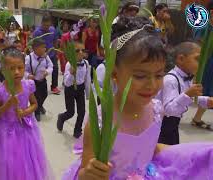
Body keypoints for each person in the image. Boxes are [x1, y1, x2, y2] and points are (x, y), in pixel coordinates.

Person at [63, 16, 213, 180]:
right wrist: (90, 173)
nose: (151, 84)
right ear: (114, 74)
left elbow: (149, 148)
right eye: (140, 76)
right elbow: (85, 170)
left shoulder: (156, 109)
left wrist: (194, 154)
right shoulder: (100, 122)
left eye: (159, 75)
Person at [0, 47, 53, 180]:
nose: (16, 72)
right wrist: (8, 104)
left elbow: (34, 104)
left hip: (25, 131)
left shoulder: (28, 85)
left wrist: (25, 111)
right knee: (8, 162)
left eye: (20, 68)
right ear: (3, 70)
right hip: (5, 133)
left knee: (26, 160)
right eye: (11, 68)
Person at [157, 42, 213, 145]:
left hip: (173, 126)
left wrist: (206, 100)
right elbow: (169, 110)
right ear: (181, 59)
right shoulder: (170, 80)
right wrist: (187, 94)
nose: (201, 63)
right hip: (162, 127)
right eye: (197, 59)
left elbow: (185, 100)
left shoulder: (186, 78)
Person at [57, 41, 91, 138]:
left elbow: (87, 79)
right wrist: (71, 73)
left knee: (82, 112)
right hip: (70, 89)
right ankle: (61, 117)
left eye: (83, 50)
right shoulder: (69, 64)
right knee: (70, 112)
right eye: (77, 50)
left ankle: (77, 130)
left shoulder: (86, 63)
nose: (81, 53)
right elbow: (66, 83)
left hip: (80, 89)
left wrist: (88, 94)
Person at [191, 0, 213, 131]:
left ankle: (197, 118)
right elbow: (198, 43)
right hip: (204, 62)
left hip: (210, 63)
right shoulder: (203, 26)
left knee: (208, 90)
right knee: (203, 89)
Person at [25, 39, 53, 122]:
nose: (45, 49)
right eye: (42, 47)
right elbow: (24, 70)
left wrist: (47, 71)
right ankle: (37, 112)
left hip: (42, 80)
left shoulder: (45, 56)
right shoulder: (28, 58)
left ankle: (39, 106)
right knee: (36, 97)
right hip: (33, 82)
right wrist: (28, 75)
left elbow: (51, 66)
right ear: (36, 48)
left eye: (45, 47)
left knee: (44, 94)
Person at [33, 15, 61, 94]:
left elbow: (55, 41)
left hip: (51, 53)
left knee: (55, 69)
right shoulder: (37, 32)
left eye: (48, 25)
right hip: (41, 55)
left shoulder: (52, 30)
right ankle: (36, 85)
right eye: (45, 25)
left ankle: (54, 86)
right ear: (41, 23)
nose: (46, 27)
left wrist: (56, 51)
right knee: (39, 70)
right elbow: (34, 44)